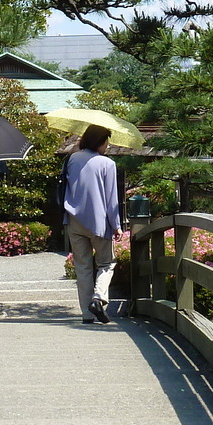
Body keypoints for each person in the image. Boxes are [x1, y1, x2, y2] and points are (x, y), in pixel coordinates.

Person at [62, 125, 122, 324]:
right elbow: (111, 199)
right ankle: (98, 298)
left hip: (73, 219)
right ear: (100, 142)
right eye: (106, 141)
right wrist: (117, 225)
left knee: (83, 267)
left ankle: (86, 314)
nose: (108, 145)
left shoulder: (72, 158)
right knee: (107, 263)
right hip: (98, 222)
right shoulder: (107, 164)